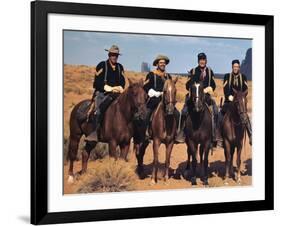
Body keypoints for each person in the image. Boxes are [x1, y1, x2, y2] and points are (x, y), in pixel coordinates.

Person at [176, 52, 218, 146]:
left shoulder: (210, 72)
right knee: (183, 111)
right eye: (200, 60)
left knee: (215, 111)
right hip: (194, 98)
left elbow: (213, 85)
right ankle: (181, 133)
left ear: (206, 61)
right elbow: (187, 86)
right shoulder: (193, 71)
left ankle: (215, 134)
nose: (202, 62)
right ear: (198, 61)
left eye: (203, 60)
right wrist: (192, 84)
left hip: (206, 97)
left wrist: (210, 88)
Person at [85, 45, 125, 142]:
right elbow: (96, 82)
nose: (114, 57)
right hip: (103, 93)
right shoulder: (102, 65)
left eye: (116, 55)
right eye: (112, 55)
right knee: (98, 111)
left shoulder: (120, 67)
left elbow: (123, 81)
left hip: (116, 94)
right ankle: (94, 133)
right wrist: (108, 88)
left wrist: (120, 87)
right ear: (109, 55)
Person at [143, 55, 176, 137]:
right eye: (161, 63)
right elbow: (146, 87)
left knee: (177, 113)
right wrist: (154, 92)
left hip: (166, 100)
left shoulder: (168, 76)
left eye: (164, 63)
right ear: (157, 64)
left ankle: (175, 133)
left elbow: (171, 88)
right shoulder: (151, 75)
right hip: (154, 99)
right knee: (147, 113)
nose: (163, 64)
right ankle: (145, 131)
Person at [221, 59, 252, 145]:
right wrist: (228, 96)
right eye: (234, 66)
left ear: (239, 67)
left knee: (245, 116)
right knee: (220, 115)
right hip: (229, 102)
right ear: (232, 67)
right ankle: (218, 136)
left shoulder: (243, 77)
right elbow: (225, 88)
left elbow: (246, 89)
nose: (235, 68)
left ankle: (250, 134)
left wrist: (242, 96)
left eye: (237, 67)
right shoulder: (227, 76)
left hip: (240, 103)